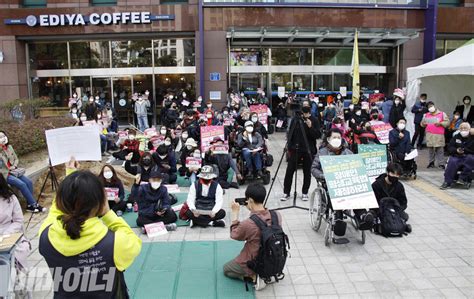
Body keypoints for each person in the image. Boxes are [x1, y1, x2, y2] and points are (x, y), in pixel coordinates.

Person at [39, 158, 142, 298]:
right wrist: (107, 213)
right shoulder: (115, 243)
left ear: (61, 201)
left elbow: (55, 210)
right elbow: (133, 240)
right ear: (101, 203)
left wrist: (71, 179)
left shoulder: (45, 236)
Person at [311, 129, 374, 238]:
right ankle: (338, 218)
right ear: (328, 139)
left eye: (339, 138)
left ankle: (363, 216)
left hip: (347, 184)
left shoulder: (348, 153)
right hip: (330, 184)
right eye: (334, 137)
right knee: (334, 194)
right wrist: (323, 176)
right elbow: (314, 168)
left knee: (356, 193)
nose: (337, 140)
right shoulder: (322, 152)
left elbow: (357, 167)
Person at [224, 183, 282, 291]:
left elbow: (234, 234)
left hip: (254, 260)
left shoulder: (249, 223)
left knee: (227, 269)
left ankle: (255, 278)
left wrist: (235, 214)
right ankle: (270, 274)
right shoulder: (276, 215)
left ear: (250, 200)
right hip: (273, 257)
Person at [281, 106, 321, 201]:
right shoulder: (296, 119)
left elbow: (317, 135)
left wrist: (310, 127)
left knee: (307, 172)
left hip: (308, 150)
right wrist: (289, 147)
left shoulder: (314, 120)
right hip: (295, 149)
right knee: (289, 171)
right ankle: (286, 192)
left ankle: (305, 192)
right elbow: (290, 133)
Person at [0, 131, 45, 213]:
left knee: (29, 182)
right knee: (22, 184)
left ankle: (29, 205)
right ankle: (34, 204)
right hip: (5, 174)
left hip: (15, 171)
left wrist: (14, 166)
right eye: (0, 137)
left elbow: (16, 159)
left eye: (3, 136)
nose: (2, 138)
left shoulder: (9, 147)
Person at [0, 173, 30, 274]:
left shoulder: (11, 198)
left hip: (10, 233)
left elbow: (18, 220)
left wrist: (6, 234)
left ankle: (14, 277)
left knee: (18, 250)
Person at [440, 122, 473, 189]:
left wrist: (465, 150)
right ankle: (447, 182)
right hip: (457, 155)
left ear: (469, 129)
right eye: (461, 128)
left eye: (465, 128)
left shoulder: (472, 137)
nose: (463, 130)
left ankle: (462, 178)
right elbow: (450, 147)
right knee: (452, 161)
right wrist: (456, 150)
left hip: (469, 155)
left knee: (470, 159)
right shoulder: (456, 137)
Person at [421, 101, 449, 169]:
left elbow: (447, 122)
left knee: (440, 149)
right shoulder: (426, 115)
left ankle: (441, 163)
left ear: (434, 106)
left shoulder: (442, 114)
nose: (430, 108)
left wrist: (440, 123)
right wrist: (423, 123)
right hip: (429, 134)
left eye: (431, 106)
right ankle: (431, 162)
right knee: (430, 149)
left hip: (439, 134)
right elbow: (422, 124)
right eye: (429, 107)